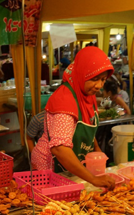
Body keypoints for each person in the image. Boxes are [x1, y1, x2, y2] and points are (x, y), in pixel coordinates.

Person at [31, 46, 116, 189]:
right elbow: (59, 149)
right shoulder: (65, 100)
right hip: (50, 166)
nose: (98, 86)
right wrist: (93, 179)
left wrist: (96, 148)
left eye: (103, 80)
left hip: (73, 164)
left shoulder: (87, 94)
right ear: (82, 73)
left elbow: (86, 124)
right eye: (94, 79)